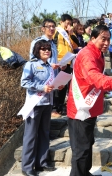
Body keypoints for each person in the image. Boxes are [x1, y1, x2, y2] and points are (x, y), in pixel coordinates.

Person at [66, 25, 112, 176]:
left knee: (87, 144)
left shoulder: (98, 53)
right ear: (93, 38)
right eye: (103, 39)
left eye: (108, 39)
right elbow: (93, 76)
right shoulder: (88, 55)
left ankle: (85, 172)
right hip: (80, 109)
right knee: (80, 150)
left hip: (89, 108)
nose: (107, 43)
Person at [20, 40, 64, 176]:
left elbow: (51, 84)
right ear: (37, 51)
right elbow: (24, 82)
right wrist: (41, 87)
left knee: (45, 133)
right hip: (35, 104)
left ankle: (42, 162)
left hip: (47, 103)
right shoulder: (31, 64)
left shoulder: (50, 67)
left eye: (48, 49)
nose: (46, 51)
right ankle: (27, 167)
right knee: (31, 135)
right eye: (43, 49)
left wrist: (58, 86)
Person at [52, 14, 74, 116]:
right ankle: (54, 108)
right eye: (67, 23)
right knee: (57, 85)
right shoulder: (57, 31)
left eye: (70, 23)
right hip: (59, 62)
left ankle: (61, 107)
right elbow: (53, 46)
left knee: (63, 86)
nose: (68, 25)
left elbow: (74, 46)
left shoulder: (67, 33)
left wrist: (71, 34)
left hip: (68, 61)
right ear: (62, 22)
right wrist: (57, 61)